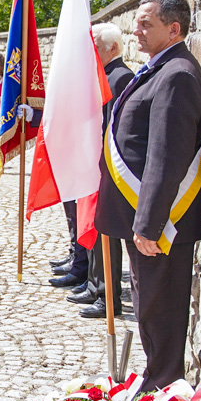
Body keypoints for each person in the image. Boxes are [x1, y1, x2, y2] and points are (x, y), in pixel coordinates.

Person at [96, 0, 201, 393]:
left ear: (173, 28)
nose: (136, 30)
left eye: (146, 23)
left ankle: (162, 386)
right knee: (148, 304)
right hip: (145, 215)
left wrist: (149, 223)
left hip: (164, 222)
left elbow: (166, 154)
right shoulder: (159, 68)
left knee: (160, 309)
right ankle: (155, 379)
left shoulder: (177, 74)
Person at [68, 23, 134, 318]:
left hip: (107, 163)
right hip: (95, 161)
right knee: (95, 225)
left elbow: (114, 125)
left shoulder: (120, 77)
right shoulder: (104, 74)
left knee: (107, 230)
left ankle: (109, 296)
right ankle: (95, 285)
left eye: (96, 46)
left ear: (113, 48)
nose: (91, 52)